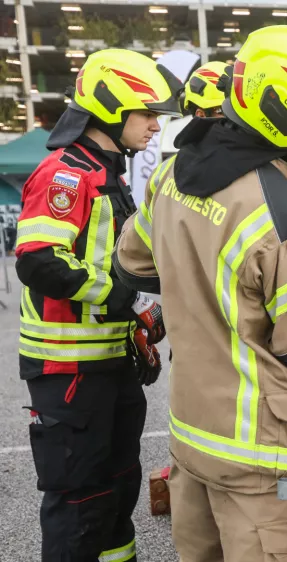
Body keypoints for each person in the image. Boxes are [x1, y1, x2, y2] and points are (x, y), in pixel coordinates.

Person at [113, 26, 287, 561]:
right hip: (266, 461)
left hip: (193, 443)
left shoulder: (170, 175)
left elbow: (132, 264)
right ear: (283, 122)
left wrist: (203, 282)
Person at [15, 49, 179, 561]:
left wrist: (136, 321)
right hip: (69, 370)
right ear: (111, 109)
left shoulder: (108, 173)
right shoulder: (65, 174)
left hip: (108, 365)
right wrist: (126, 299)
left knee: (116, 494)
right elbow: (40, 261)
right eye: (147, 113)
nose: (155, 126)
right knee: (79, 503)